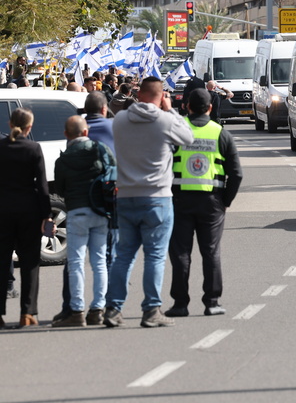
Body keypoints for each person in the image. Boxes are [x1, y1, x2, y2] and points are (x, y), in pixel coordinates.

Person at [105, 77, 193, 328]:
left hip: (125, 196)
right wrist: (170, 109)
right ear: (161, 95)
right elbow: (187, 137)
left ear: (139, 94)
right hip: (157, 197)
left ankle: (113, 308)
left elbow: (119, 109)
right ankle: (151, 309)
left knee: (123, 257)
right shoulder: (165, 120)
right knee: (154, 257)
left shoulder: (120, 120)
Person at [166, 89, 243, 318]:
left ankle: (180, 304)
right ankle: (212, 302)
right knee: (211, 253)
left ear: (187, 106)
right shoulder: (221, 133)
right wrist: (225, 201)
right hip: (212, 202)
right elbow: (236, 174)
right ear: (210, 108)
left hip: (179, 200)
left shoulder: (177, 131)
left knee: (181, 254)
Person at [52, 116, 115, 327]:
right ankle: (98, 308)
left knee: (76, 263)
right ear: (86, 132)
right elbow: (113, 172)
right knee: (99, 262)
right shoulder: (100, 150)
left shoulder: (62, 160)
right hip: (100, 211)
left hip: (77, 213)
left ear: (66, 135)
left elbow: (60, 189)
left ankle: (76, 311)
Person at [0, 108, 53, 328]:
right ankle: (28, 313)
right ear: (29, 127)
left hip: (1, 211)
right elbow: (41, 186)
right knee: (30, 262)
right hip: (29, 212)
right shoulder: (33, 148)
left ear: (10, 124)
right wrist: (47, 215)